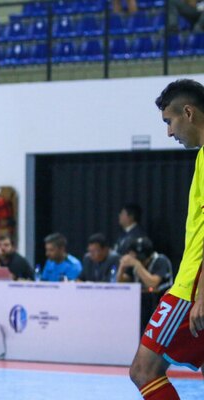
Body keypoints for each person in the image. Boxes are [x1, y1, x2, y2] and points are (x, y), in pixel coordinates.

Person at [128, 79, 204, 400]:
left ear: (188, 112)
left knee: (144, 370)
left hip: (191, 288)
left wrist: (201, 292)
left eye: (168, 122)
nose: (169, 133)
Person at [117, 236, 174, 333]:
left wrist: (137, 265)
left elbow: (153, 283)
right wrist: (122, 267)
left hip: (161, 304)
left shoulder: (161, 260)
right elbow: (121, 282)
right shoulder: (134, 263)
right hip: (141, 305)